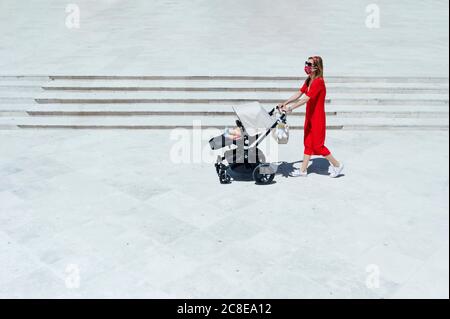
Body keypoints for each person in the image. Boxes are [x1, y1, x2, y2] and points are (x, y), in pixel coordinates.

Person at [278, 56, 344, 178]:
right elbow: (299, 93)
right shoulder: (310, 79)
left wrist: (291, 108)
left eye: (309, 64)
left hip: (317, 118)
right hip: (310, 116)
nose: (306, 66)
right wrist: (285, 102)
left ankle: (337, 164)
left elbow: (306, 99)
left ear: (316, 67)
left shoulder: (319, 82)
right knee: (308, 143)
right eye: (306, 63)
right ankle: (303, 170)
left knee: (318, 145)